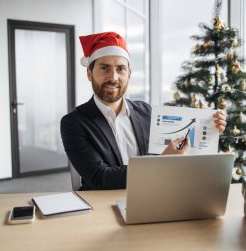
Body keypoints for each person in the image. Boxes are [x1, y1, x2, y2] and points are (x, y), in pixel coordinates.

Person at [61, 32, 227, 190]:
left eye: (120, 69)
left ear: (129, 74)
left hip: (152, 194)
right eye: (104, 68)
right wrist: (162, 163)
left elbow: (181, 148)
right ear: (89, 73)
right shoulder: (74, 123)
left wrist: (210, 128)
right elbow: (100, 178)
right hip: (103, 206)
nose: (113, 77)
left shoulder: (147, 112)